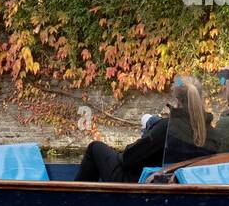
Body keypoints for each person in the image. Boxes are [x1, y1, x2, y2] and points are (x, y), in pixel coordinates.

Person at [74, 77, 215, 183]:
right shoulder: (211, 132)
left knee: (95, 148)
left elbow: (127, 159)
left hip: (140, 185)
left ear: (177, 101)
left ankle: (74, 201)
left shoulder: (166, 128)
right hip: (179, 183)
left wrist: (148, 132)